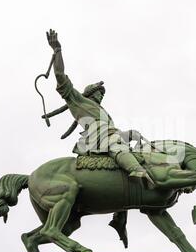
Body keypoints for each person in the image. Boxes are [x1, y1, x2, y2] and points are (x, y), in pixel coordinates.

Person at [46, 29, 154, 185]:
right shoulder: (79, 101)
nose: (101, 96)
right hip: (99, 139)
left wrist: (127, 134)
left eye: (102, 94)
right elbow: (60, 76)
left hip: (110, 134)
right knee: (116, 145)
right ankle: (137, 171)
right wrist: (57, 50)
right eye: (98, 92)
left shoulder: (103, 111)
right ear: (90, 93)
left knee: (132, 135)